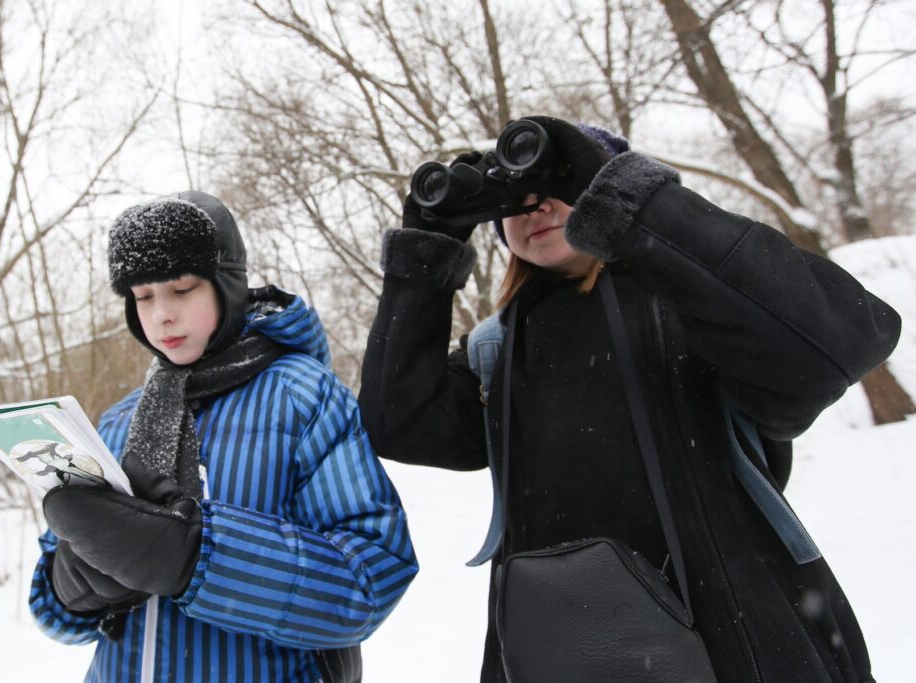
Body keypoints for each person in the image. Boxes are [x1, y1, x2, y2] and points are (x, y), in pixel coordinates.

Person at [359, 116, 899, 682]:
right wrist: (426, 256)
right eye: (514, 202)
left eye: (556, 189)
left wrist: (629, 202)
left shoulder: (700, 309)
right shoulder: (499, 345)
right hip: (563, 650)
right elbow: (399, 422)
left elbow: (839, 340)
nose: (533, 208)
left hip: (738, 643)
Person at [28, 191, 418, 683]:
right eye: (143, 297)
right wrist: (72, 584)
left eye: (183, 289)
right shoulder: (118, 420)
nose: (161, 314)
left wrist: (197, 555)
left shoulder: (301, 395)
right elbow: (54, 614)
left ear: (227, 285)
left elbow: (371, 577)